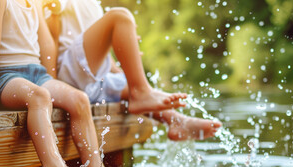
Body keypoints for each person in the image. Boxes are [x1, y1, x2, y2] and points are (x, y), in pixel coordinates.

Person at [0, 0, 130, 167]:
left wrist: (53, 82)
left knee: (79, 98)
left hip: (38, 75)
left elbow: (46, 43)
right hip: (7, 77)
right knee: (40, 97)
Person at [44, 0, 222, 141]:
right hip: (65, 74)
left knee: (128, 83)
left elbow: (97, 52)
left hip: (88, 78)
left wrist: (121, 74)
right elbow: (49, 37)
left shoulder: (92, 4)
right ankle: (141, 93)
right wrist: (52, 83)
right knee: (120, 17)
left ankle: (176, 121)